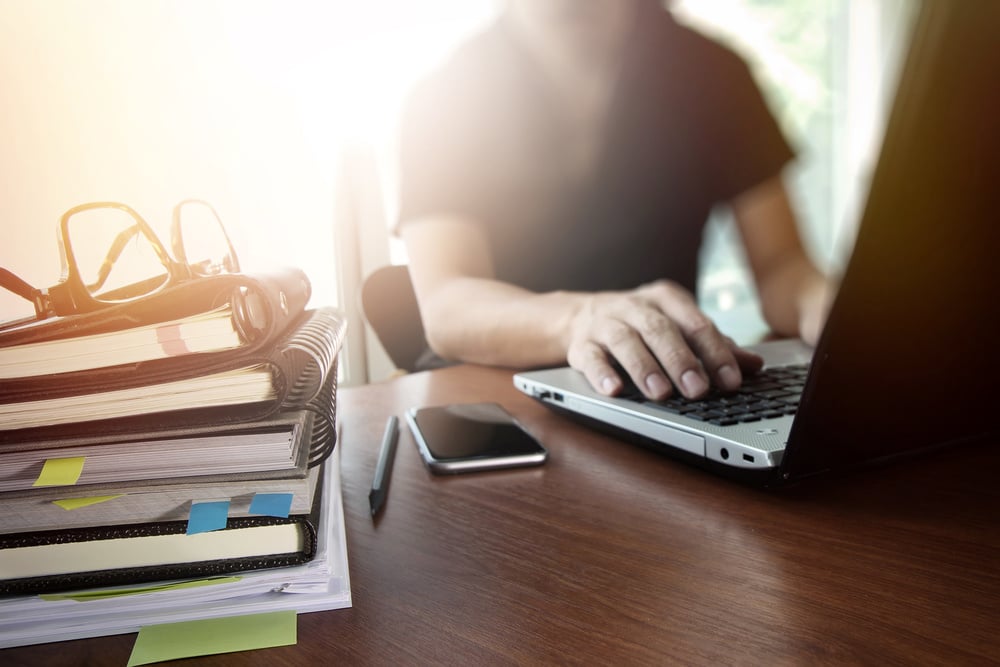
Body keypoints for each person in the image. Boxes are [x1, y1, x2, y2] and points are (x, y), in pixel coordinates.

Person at [395, 0, 832, 401]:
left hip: (664, 394)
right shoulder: (443, 97)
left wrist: (832, 310)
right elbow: (447, 304)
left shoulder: (717, 73)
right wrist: (579, 319)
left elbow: (781, 264)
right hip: (498, 399)